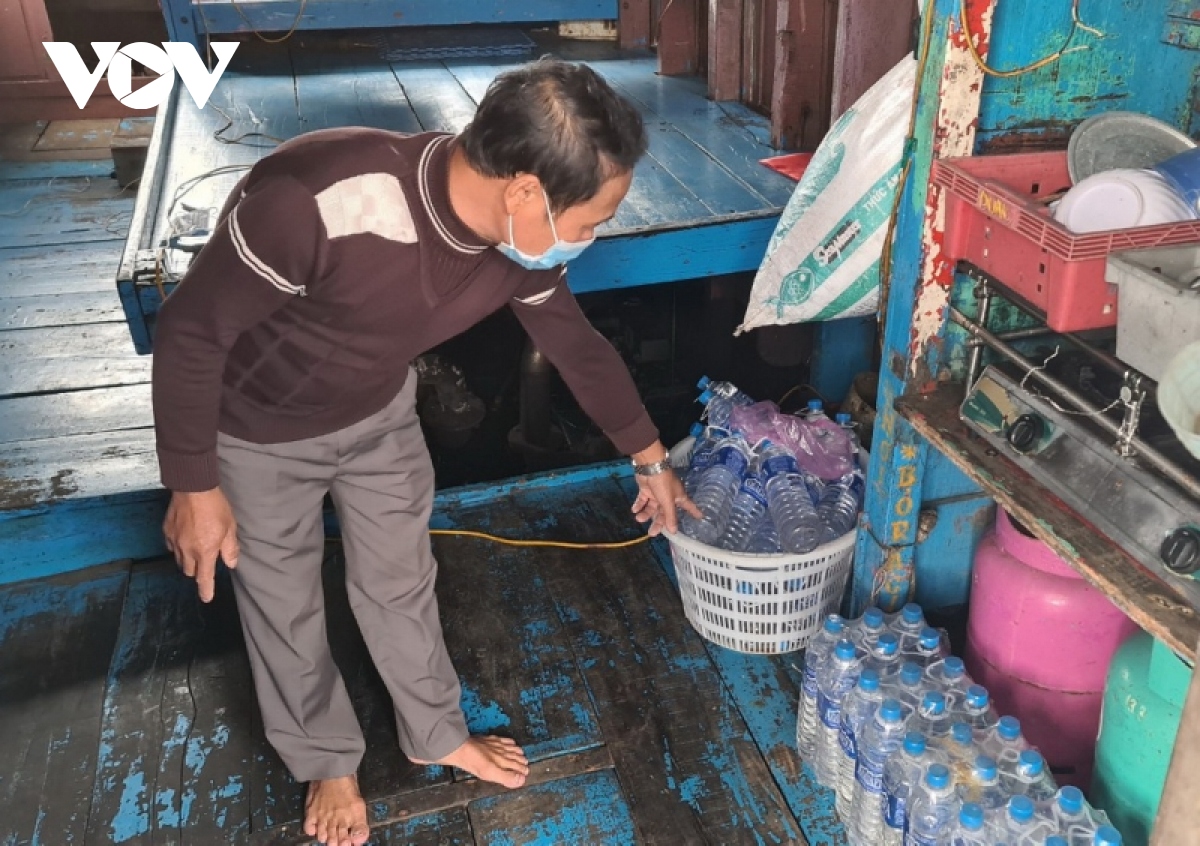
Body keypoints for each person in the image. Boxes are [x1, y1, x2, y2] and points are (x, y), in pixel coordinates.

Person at [152, 57, 699, 846]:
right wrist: (193, 485)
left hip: (377, 414)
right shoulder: (317, 203)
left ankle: (434, 730)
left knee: (401, 579)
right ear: (524, 192)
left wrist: (651, 458)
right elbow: (191, 331)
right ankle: (328, 760)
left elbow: (576, 347)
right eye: (589, 222)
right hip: (257, 430)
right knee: (284, 599)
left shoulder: (516, 248)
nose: (589, 239)